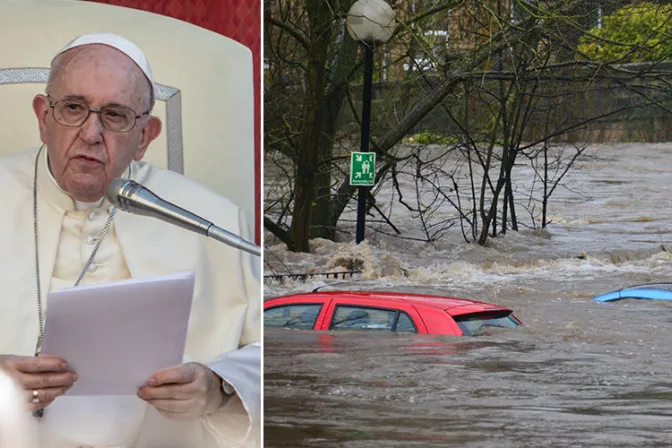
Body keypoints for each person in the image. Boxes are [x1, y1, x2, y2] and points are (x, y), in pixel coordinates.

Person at [0, 33, 260, 448]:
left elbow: (275, 345)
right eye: (72, 108)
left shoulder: (212, 220)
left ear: (146, 136)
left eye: (116, 115)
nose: (90, 133)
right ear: (41, 115)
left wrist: (219, 387)